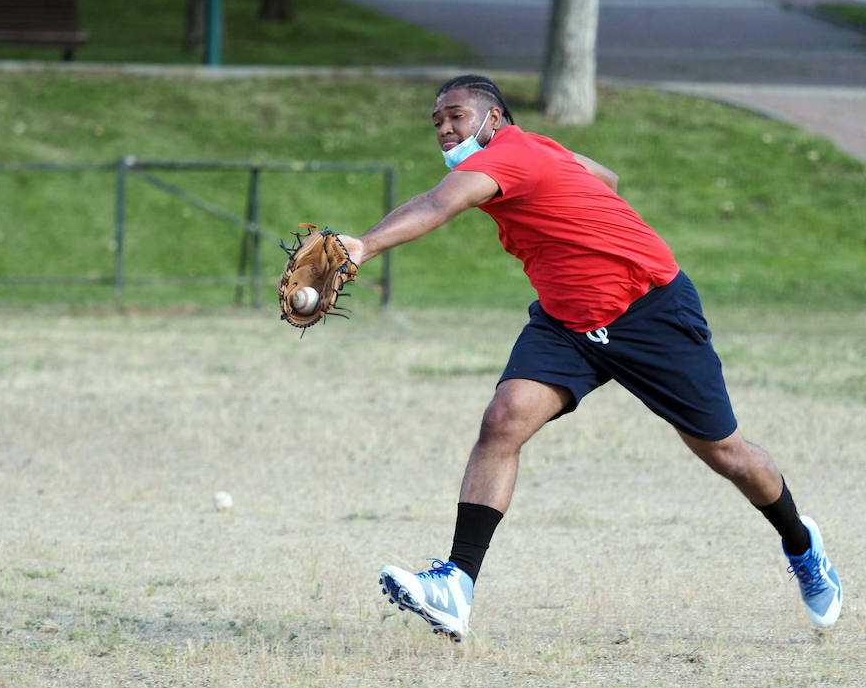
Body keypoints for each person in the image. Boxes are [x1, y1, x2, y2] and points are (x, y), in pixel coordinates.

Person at [335, 75, 840, 642]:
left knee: (726, 454)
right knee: (504, 419)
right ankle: (457, 582)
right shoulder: (538, 150)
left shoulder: (513, 153)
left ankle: (802, 545)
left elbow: (436, 203)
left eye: (455, 115)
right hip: (568, 320)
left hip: (650, 313)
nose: (445, 129)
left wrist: (363, 245)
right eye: (437, 123)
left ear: (494, 119)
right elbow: (607, 178)